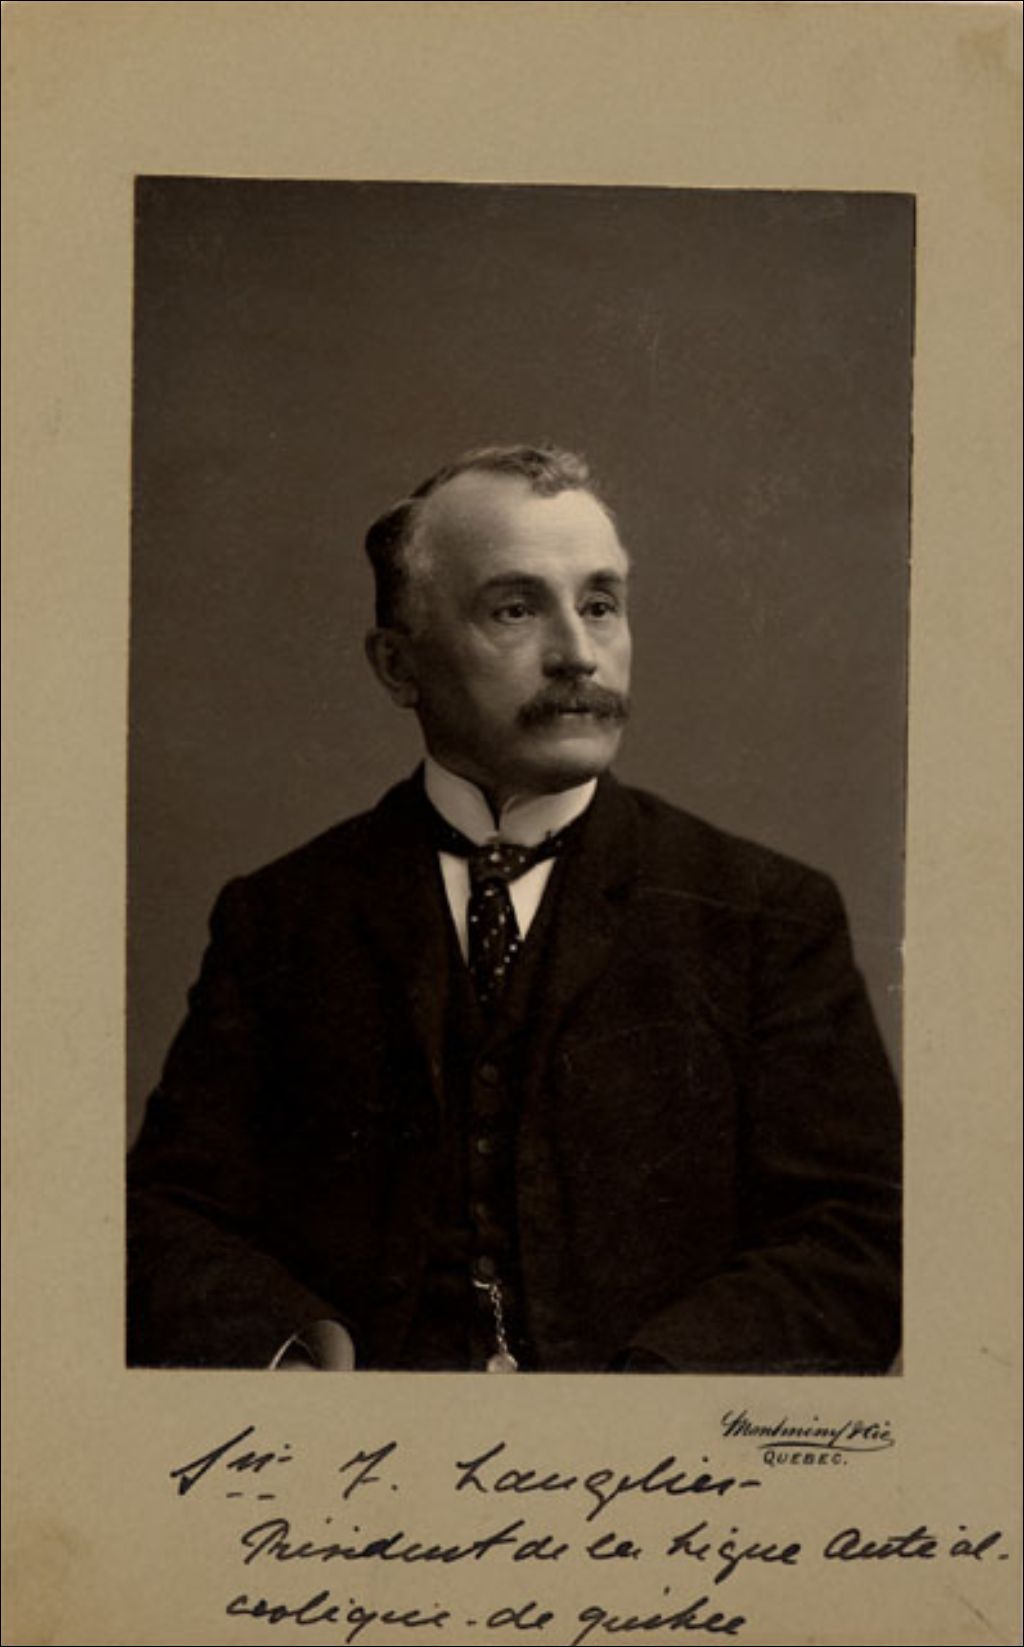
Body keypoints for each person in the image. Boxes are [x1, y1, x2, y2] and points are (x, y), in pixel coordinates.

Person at [127, 443, 902, 1374]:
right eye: (516, 608)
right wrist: (290, 1358)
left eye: (601, 604)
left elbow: (860, 1236)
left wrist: (656, 1401)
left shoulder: (767, 915)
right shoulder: (281, 918)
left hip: (652, 1455)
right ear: (398, 665)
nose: (578, 653)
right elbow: (166, 1217)